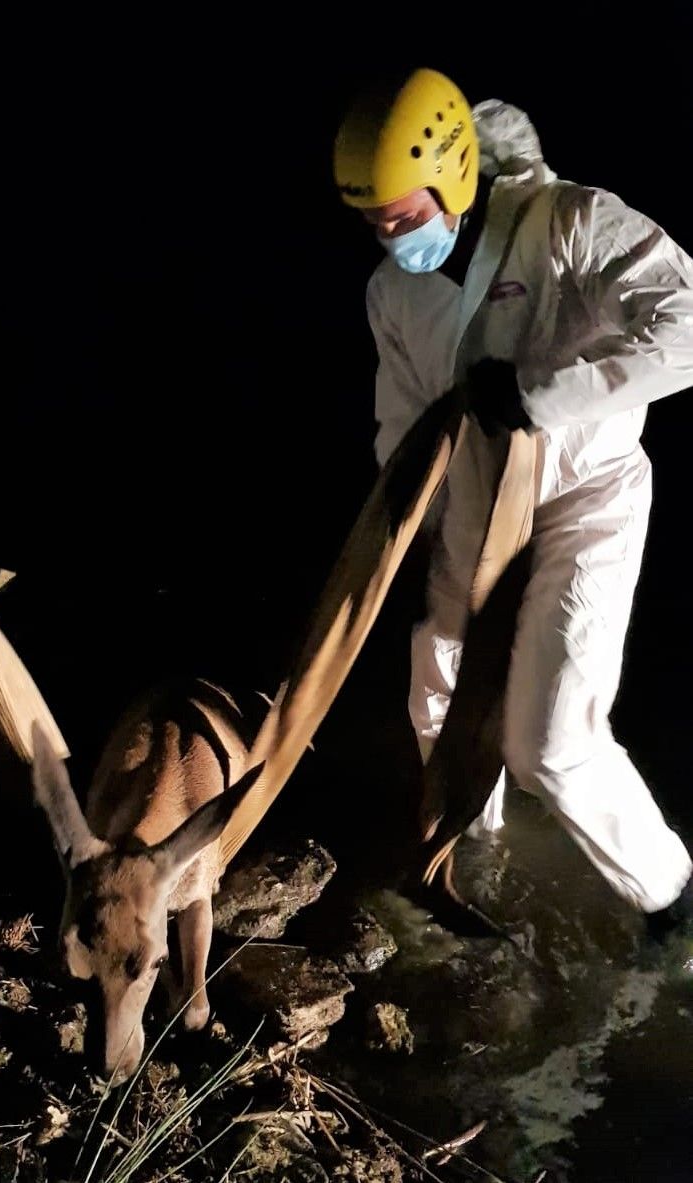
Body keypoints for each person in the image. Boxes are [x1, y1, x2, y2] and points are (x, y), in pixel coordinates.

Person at [332, 66, 693, 948]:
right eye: (372, 221)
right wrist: (391, 536)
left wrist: (540, 393)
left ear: (454, 175)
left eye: (404, 216)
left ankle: (668, 899)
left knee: (551, 739)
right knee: (436, 688)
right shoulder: (394, 290)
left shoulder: (568, 221)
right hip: (474, 508)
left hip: (585, 499)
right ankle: (478, 854)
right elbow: (401, 424)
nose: (389, 236)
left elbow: (685, 328)